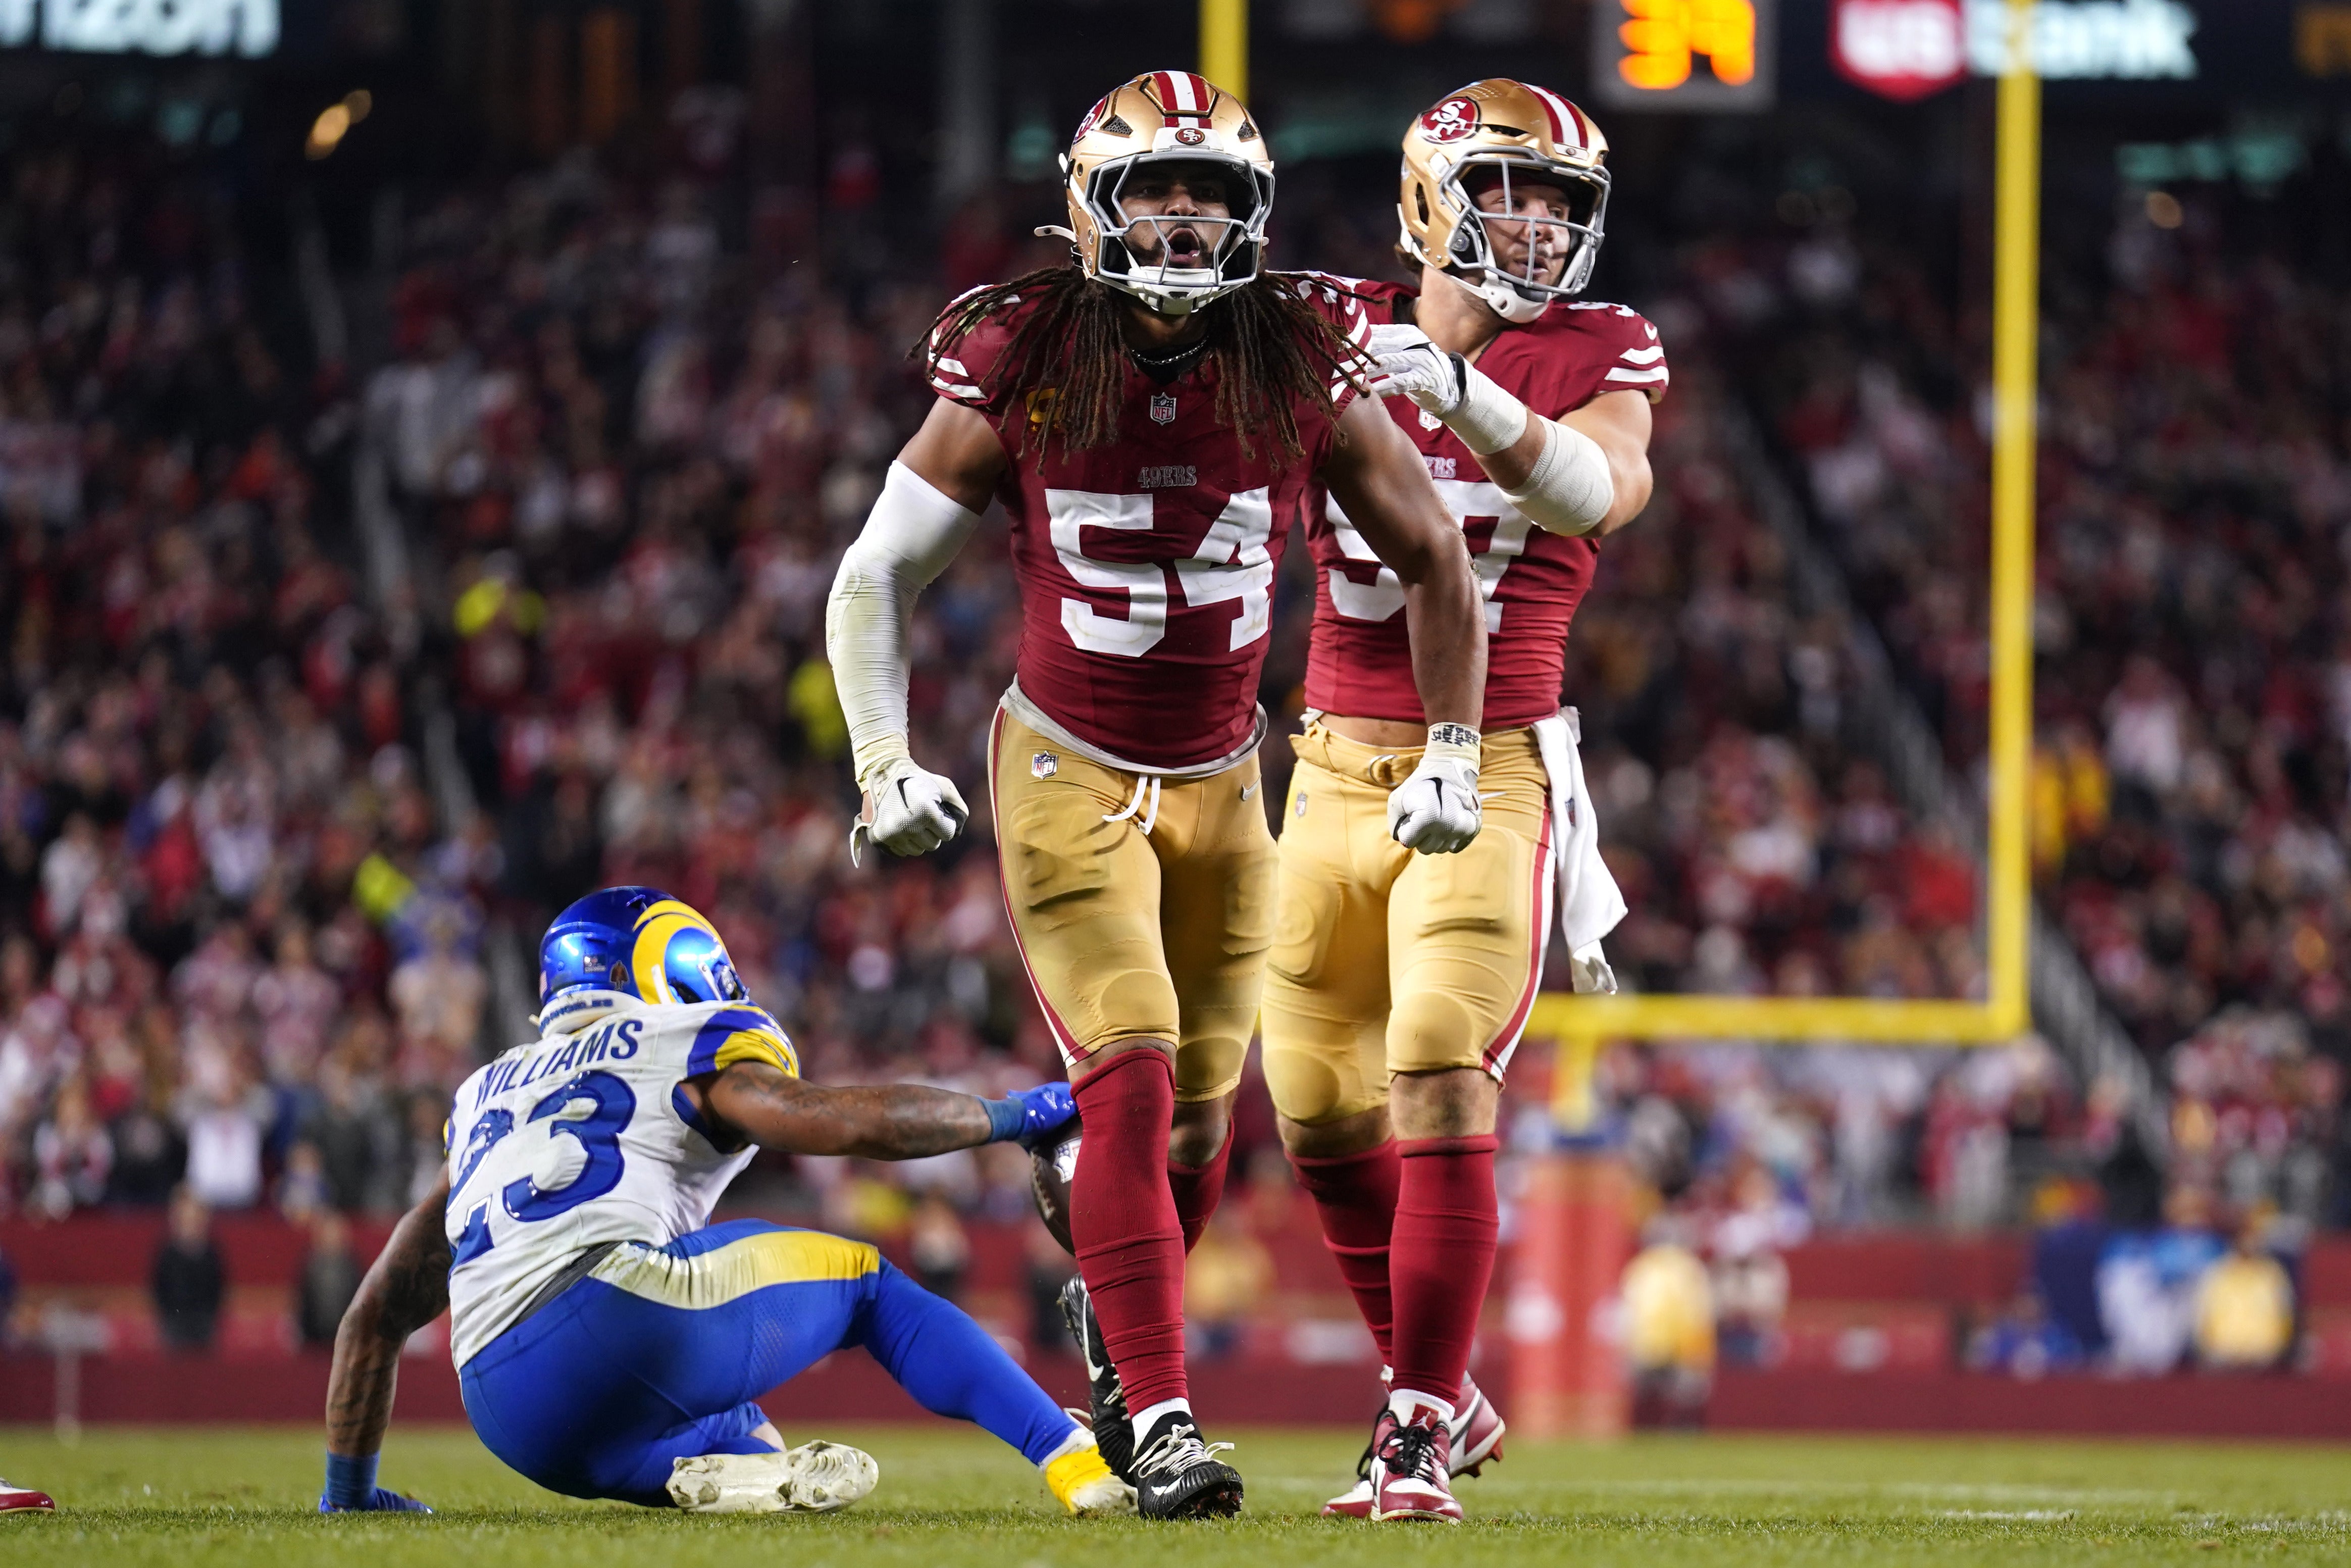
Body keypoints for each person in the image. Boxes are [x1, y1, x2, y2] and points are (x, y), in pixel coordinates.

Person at [825, 70, 1488, 1519]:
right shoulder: (1021, 354)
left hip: (1224, 775)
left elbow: (1439, 553)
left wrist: (1452, 747)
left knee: (1199, 1123)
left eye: (1211, 194)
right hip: (1067, 766)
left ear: (1254, 213)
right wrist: (885, 760)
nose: (1183, 220)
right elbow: (877, 568)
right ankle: (1167, 1416)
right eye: (1154, 191)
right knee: (1124, 1063)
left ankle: (1120, 1356)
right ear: (1091, 206)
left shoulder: (1304, 355)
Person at [1259, 79, 1663, 1521]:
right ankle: (1443, 1378)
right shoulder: (1324, 327)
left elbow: (1597, 493)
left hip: (1489, 760)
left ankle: (1416, 1424)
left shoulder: (1601, 347)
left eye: (1563, 200)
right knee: (1314, 1118)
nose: (1540, 222)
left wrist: (1459, 391)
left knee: (1437, 1057)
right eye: (1510, 189)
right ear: (1432, 198)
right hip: (1325, 759)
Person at [318, 886, 1130, 1519]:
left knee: (751, 1440)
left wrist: (349, 1492)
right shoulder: (680, 1039)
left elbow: (374, 1314)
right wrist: (1014, 1114)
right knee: (868, 1284)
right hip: (616, 1309)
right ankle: (1074, 1457)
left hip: (499, 1397)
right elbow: (843, 1123)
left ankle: (717, 1480)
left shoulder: (488, 1097)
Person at [152, 1185, 225, 1352]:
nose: (190, 1225)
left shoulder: (211, 1254)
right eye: (185, 1219)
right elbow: (159, 1288)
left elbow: (218, 1289)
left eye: (194, 1219)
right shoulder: (167, 1254)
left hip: (204, 1324)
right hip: (173, 1323)